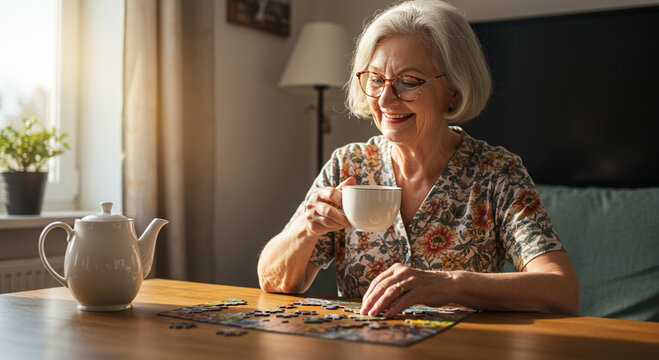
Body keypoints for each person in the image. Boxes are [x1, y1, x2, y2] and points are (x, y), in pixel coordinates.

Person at [258, 0, 579, 317]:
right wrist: (306, 228)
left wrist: (448, 284)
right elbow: (273, 281)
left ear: (454, 89)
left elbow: (561, 290)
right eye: (375, 79)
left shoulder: (496, 172)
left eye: (408, 82)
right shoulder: (349, 164)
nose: (385, 99)